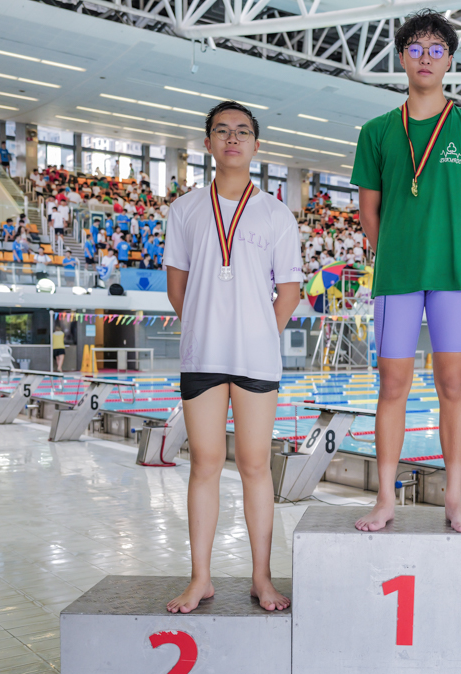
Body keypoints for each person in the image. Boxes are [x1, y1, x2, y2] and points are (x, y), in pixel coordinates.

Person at [350, 9, 461, 533]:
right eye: (416, 48)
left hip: (452, 278)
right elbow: (369, 211)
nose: (426, 58)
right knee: (392, 385)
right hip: (396, 278)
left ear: (449, 60)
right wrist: (395, 252)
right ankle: (385, 499)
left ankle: (454, 498)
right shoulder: (377, 131)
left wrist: (456, 252)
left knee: (452, 384)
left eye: (436, 50)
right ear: (402, 58)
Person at [164, 100, 303, 614]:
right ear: (208, 143)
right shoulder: (185, 210)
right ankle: (200, 578)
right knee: (203, 464)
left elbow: (289, 291)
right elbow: (177, 287)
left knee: (254, 465)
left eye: (242, 131)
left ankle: (261, 578)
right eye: (222, 131)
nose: (232, 138)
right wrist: (208, 327)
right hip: (202, 355)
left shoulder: (276, 213)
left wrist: (257, 334)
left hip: (256, 359)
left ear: (256, 145)